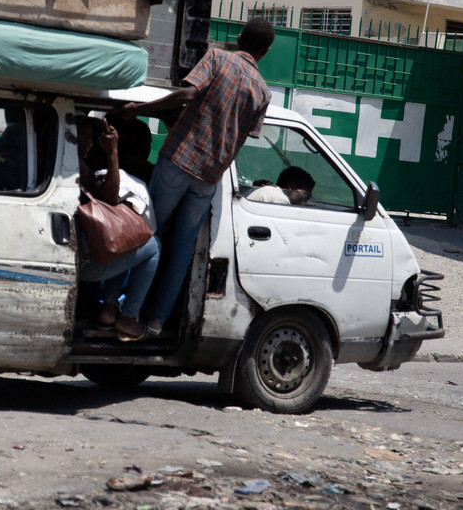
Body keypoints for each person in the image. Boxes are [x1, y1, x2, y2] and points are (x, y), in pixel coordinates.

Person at [114, 17, 275, 335]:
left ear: (239, 37)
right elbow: (244, 134)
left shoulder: (217, 58)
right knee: (182, 248)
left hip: (178, 160)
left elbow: (186, 96)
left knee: (147, 234)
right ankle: (157, 320)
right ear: (266, 51)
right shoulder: (262, 92)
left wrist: (138, 110)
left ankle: (122, 309)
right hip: (209, 177)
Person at [75, 116, 159, 341]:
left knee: (126, 238)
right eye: (79, 135)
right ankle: (128, 316)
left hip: (83, 259)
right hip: (85, 265)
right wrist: (113, 153)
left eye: (88, 137)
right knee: (153, 246)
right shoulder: (78, 167)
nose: (84, 141)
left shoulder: (77, 164)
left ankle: (110, 310)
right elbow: (111, 197)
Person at [247, 166, 315, 206]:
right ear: (291, 187)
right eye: (306, 196)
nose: (305, 202)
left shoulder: (272, 192)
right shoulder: (280, 200)